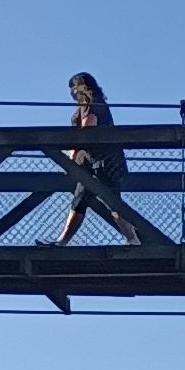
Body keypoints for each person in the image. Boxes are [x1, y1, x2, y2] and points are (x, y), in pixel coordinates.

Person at [56, 71, 123, 243]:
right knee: (82, 201)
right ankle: (62, 241)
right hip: (94, 163)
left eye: (73, 87)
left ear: (81, 87)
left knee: (112, 204)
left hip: (99, 163)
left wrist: (71, 156)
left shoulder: (92, 105)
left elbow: (87, 132)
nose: (71, 92)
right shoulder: (93, 105)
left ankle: (134, 238)